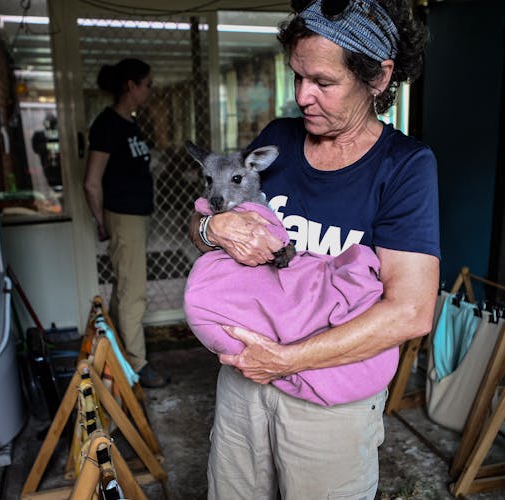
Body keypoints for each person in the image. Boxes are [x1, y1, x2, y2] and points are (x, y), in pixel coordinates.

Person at [187, 0, 440, 498]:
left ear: (379, 77)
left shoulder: (405, 166)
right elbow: (201, 230)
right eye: (297, 76)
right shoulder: (278, 140)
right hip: (245, 379)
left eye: (323, 82)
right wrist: (214, 229)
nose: (302, 96)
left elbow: (411, 312)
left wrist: (286, 359)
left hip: (328, 390)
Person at [84, 58, 169, 388]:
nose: (150, 89)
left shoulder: (129, 124)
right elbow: (92, 182)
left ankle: (122, 355)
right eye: (147, 83)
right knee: (134, 294)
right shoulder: (108, 125)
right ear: (131, 86)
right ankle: (136, 367)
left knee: (126, 290)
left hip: (134, 217)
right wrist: (101, 221)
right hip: (124, 218)